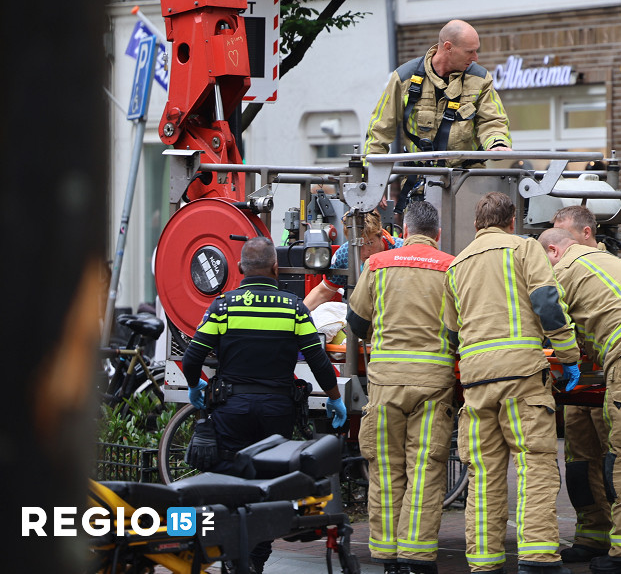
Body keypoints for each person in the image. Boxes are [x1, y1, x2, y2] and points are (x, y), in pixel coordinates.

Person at [182, 236, 347, 574]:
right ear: (275, 267)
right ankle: (255, 560)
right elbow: (317, 361)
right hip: (277, 412)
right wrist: (334, 399)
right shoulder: (294, 308)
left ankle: (230, 555)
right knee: (270, 487)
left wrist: (195, 385)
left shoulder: (223, 306)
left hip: (231, 410)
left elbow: (192, 357)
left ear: (241, 268)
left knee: (227, 485)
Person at [444, 192, 582, 574]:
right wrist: (569, 356)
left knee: (483, 471)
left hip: (476, 381)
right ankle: (538, 560)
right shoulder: (523, 249)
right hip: (521, 376)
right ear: (511, 223)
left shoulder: (456, 265)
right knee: (534, 464)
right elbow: (547, 303)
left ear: (476, 226)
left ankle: (484, 562)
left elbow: (451, 333)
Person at [538, 223, 621, 574]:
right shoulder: (601, 262)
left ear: (553, 251)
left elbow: (544, 309)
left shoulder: (565, 267)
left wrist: (558, 356)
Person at [345, 201, 457, 574]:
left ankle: (386, 555)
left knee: (385, 468)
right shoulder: (451, 266)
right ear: (437, 234)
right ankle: (418, 556)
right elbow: (459, 330)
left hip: (386, 383)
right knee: (425, 468)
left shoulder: (377, 265)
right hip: (433, 383)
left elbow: (356, 322)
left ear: (404, 232)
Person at [549, 206, 615, 563]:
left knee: (612, 463)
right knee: (579, 463)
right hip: (577, 386)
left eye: (565, 235)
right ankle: (591, 534)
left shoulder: (607, 267)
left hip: (606, 381)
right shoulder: (564, 267)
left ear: (586, 234)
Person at [364, 19, 513, 163]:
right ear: (448, 47)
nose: (476, 58)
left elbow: (493, 120)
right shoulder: (404, 78)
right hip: (420, 178)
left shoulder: (480, 79)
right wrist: (370, 175)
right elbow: (379, 129)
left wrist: (497, 143)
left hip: (467, 178)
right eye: (470, 52)